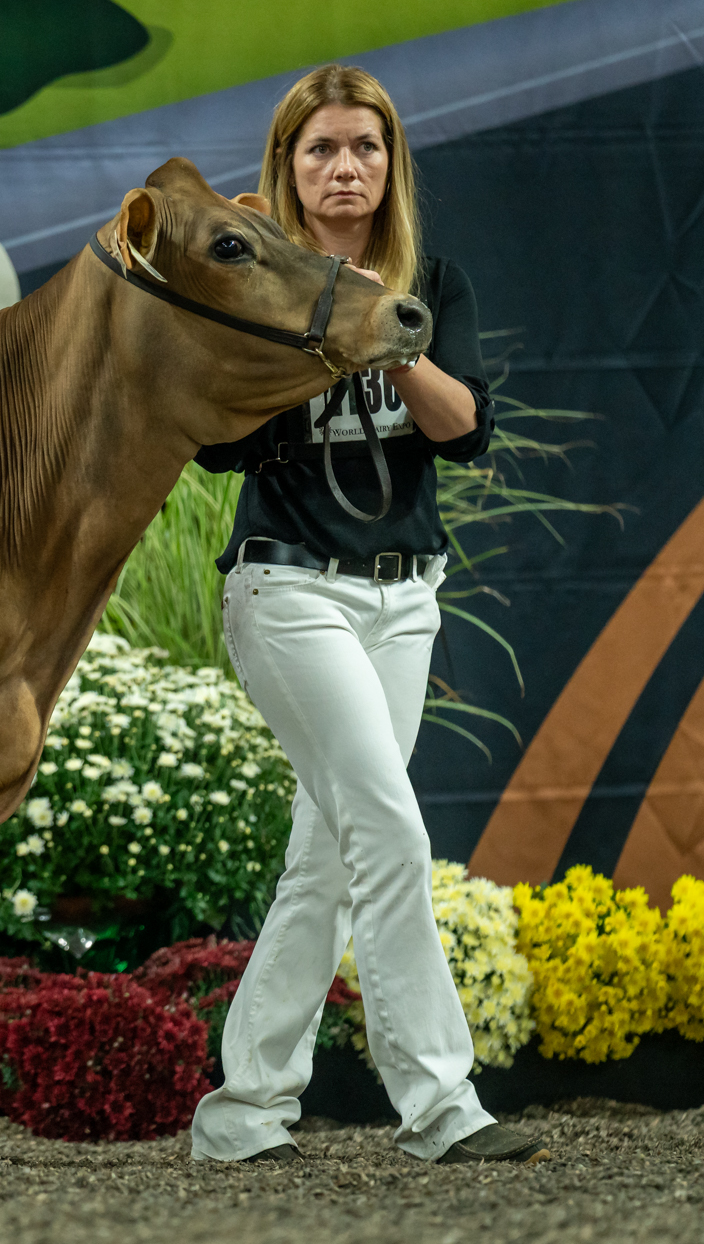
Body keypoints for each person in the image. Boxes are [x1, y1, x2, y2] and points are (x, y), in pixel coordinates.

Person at [186, 65, 546, 1165]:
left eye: (364, 147)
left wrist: (391, 333)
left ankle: (242, 1111)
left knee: (327, 858)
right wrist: (317, 325)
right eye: (321, 149)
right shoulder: (253, 284)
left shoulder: (430, 280)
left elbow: (464, 430)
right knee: (386, 828)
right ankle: (440, 1103)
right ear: (286, 166)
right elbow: (218, 444)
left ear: (390, 163)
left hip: (404, 596)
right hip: (288, 587)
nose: (345, 168)